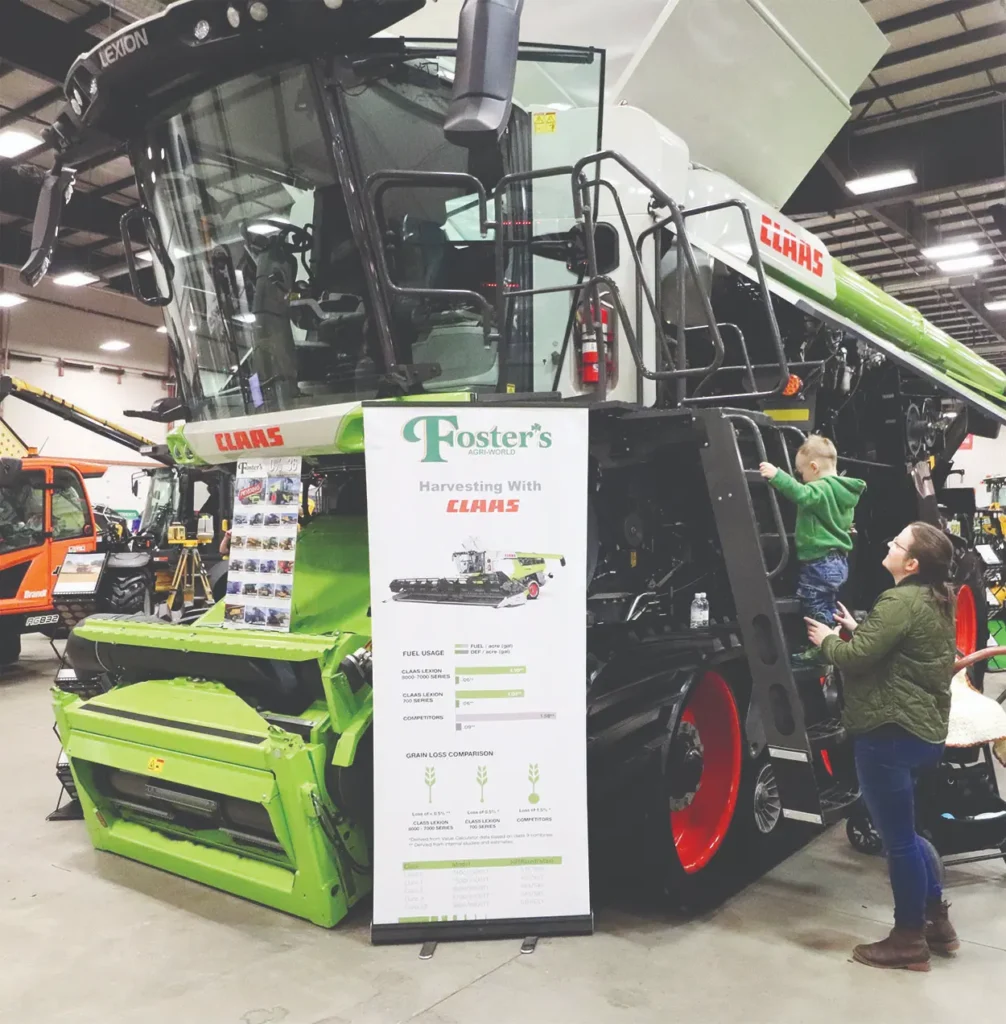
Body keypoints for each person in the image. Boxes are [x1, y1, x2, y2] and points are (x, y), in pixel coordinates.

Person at [805, 521, 958, 972]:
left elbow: (855, 658)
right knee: (907, 834)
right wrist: (859, 627)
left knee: (898, 843)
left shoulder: (898, 600)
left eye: (897, 543)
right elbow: (895, 645)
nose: (888, 544)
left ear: (911, 563)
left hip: (888, 734)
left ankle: (908, 938)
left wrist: (830, 640)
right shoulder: (933, 598)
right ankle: (938, 925)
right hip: (922, 732)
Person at [760, 436, 866, 658]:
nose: (801, 477)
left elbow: (802, 494)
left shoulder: (822, 489)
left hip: (820, 561)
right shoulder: (843, 492)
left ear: (814, 468)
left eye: (801, 472)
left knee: (814, 602)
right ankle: (831, 636)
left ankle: (822, 648)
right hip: (837, 560)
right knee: (824, 600)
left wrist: (778, 476)